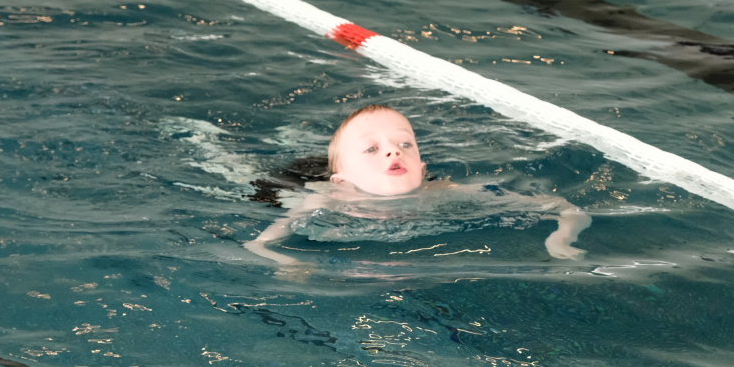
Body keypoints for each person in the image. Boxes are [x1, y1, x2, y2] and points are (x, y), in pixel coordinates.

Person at [244, 104, 591, 272]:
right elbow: (259, 243)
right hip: (289, 181)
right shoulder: (327, 199)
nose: (394, 152)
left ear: (422, 169)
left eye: (405, 144)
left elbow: (565, 208)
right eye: (372, 149)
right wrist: (286, 261)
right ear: (342, 180)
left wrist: (561, 239)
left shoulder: (446, 192)